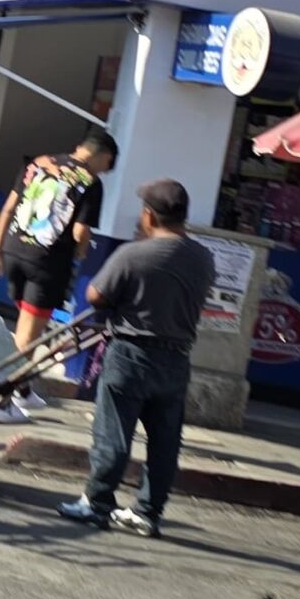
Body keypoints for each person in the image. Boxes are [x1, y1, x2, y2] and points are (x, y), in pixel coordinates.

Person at [56, 178, 218, 538]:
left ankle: (97, 502)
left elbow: (97, 294)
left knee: (113, 433)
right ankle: (147, 511)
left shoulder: (134, 254)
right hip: (176, 358)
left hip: (130, 353)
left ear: (149, 216)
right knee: (164, 441)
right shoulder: (202, 258)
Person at [0, 131, 117, 424]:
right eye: (108, 164)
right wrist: (79, 252)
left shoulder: (37, 163)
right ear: (102, 156)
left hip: (13, 252)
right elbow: (80, 232)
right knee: (28, 338)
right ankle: (0, 402)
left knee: (26, 328)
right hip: (47, 263)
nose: (106, 170)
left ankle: (23, 390)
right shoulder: (91, 181)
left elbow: (9, 208)